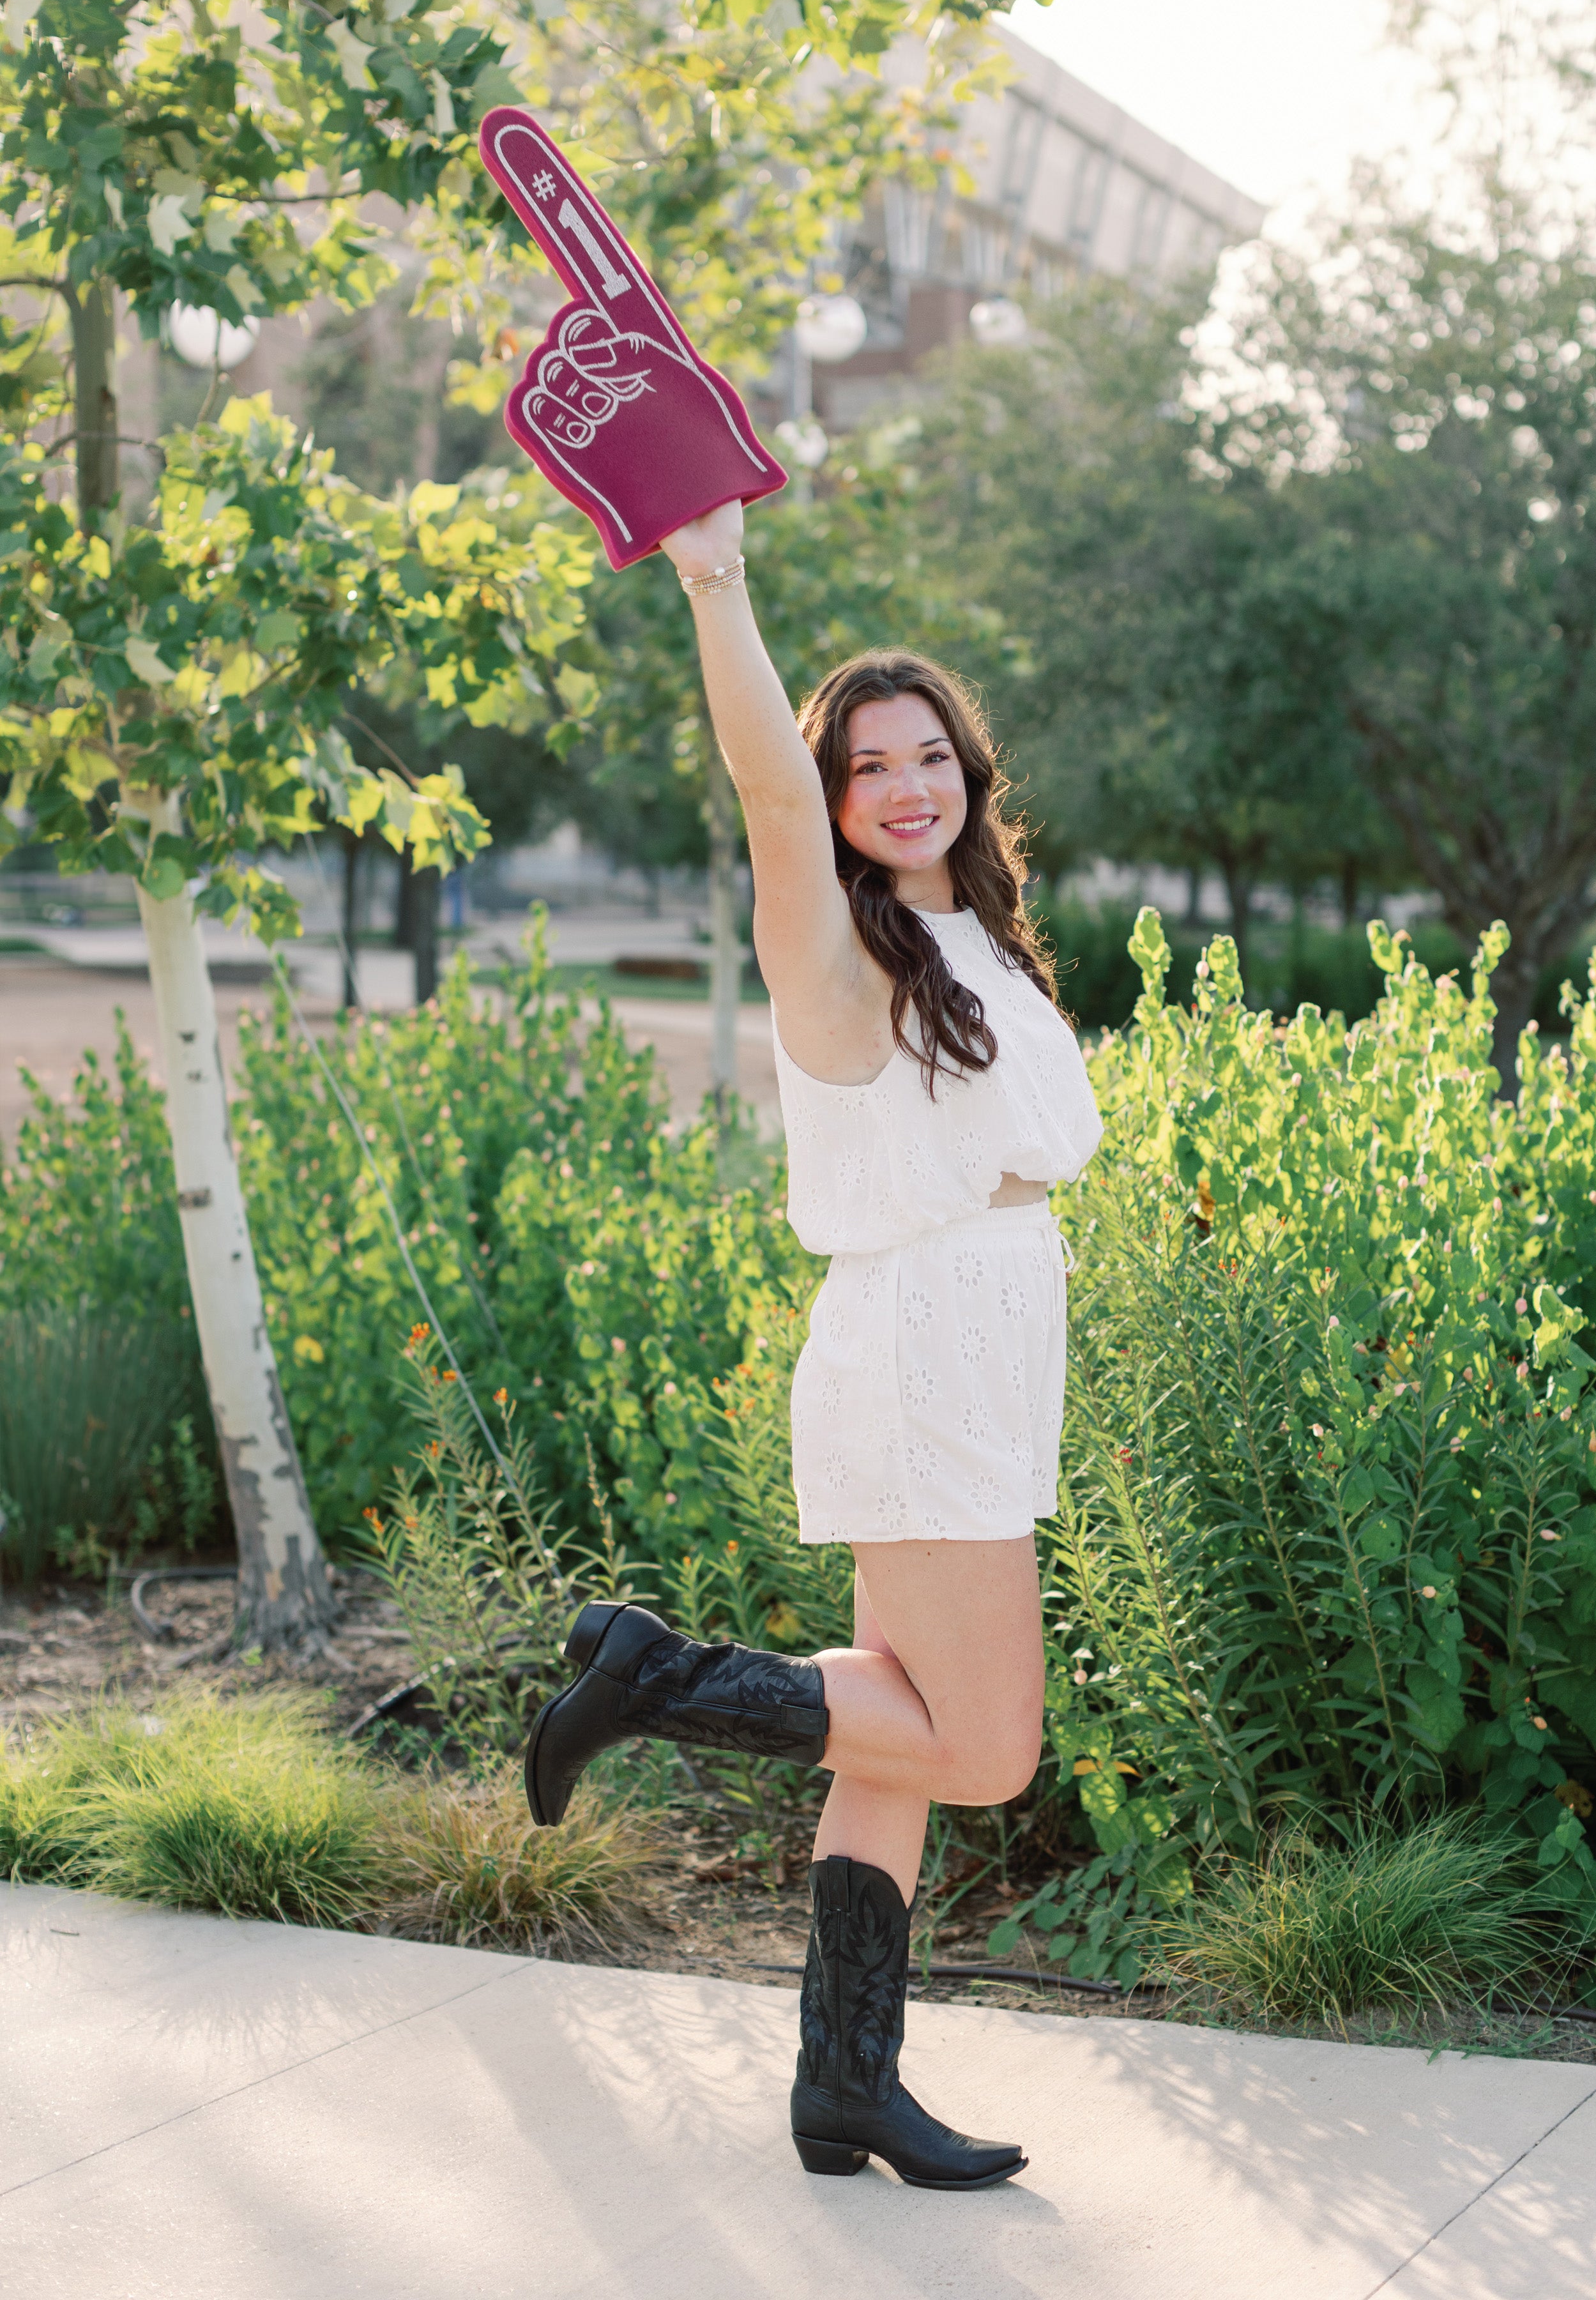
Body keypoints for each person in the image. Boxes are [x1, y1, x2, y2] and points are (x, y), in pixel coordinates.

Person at [524, 497, 1102, 2190]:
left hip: (963, 1355)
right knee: (982, 1746)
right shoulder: (835, 946)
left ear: (969, 777)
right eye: (870, 768)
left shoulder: (971, 941)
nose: (904, 785)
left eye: (932, 756)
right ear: (838, 802)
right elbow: (764, 792)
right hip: (926, 1356)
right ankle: (658, 1681)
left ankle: (846, 2084)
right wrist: (716, 578)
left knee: (893, 1738)